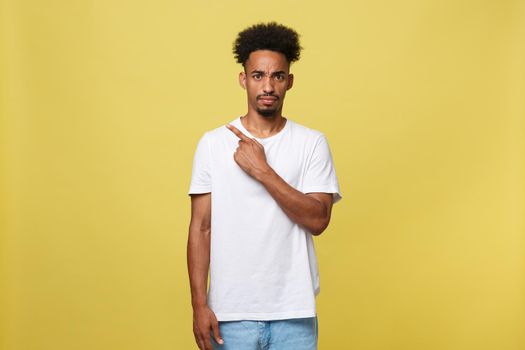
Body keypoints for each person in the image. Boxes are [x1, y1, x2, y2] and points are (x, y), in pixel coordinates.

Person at [187, 22, 342, 350]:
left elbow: (318, 220)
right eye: (258, 75)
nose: (268, 85)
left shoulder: (311, 143)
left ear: (289, 81)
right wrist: (199, 304)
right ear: (244, 79)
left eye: (277, 76)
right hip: (230, 313)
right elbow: (200, 228)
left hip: (293, 314)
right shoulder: (213, 144)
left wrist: (263, 170)